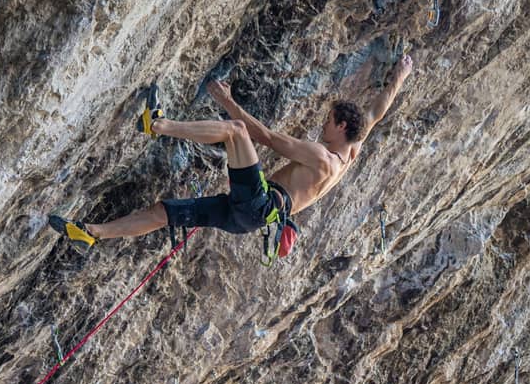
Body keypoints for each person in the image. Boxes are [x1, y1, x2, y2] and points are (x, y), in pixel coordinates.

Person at [49, 54, 414, 258]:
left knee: (235, 131)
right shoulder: (349, 156)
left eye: (328, 122)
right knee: (163, 214)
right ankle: (92, 233)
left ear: (341, 127)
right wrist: (400, 74)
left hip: (260, 204)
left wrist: (227, 101)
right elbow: (377, 111)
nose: (323, 125)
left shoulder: (322, 156)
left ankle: (157, 124)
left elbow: (266, 137)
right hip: (247, 220)